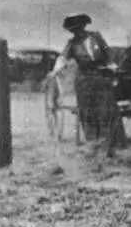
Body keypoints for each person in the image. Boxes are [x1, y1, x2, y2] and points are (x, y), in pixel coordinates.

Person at [48, 14, 123, 151]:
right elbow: (62, 59)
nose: (77, 33)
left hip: (101, 76)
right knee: (87, 112)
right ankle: (92, 142)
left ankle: (107, 142)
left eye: (79, 29)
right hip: (84, 80)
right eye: (74, 31)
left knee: (105, 110)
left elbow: (107, 54)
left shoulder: (96, 37)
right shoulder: (72, 44)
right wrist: (54, 71)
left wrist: (112, 66)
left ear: (84, 26)